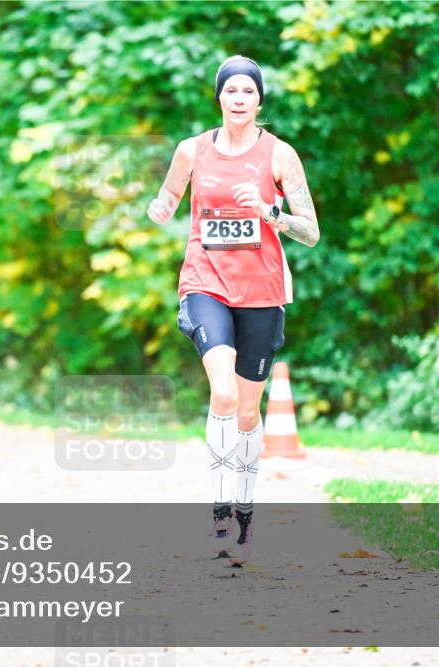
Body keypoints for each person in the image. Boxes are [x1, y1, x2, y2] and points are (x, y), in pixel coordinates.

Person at [146, 56, 320, 566]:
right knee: (221, 394)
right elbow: (169, 197)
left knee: (248, 410)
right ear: (219, 97)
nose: (239, 98)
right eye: (231, 90)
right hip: (206, 283)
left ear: (259, 100)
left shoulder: (280, 156)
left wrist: (269, 212)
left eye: (249, 91)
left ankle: (245, 508)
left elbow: (311, 231)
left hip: (263, 292)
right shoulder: (191, 150)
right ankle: (220, 511)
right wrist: (160, 209)